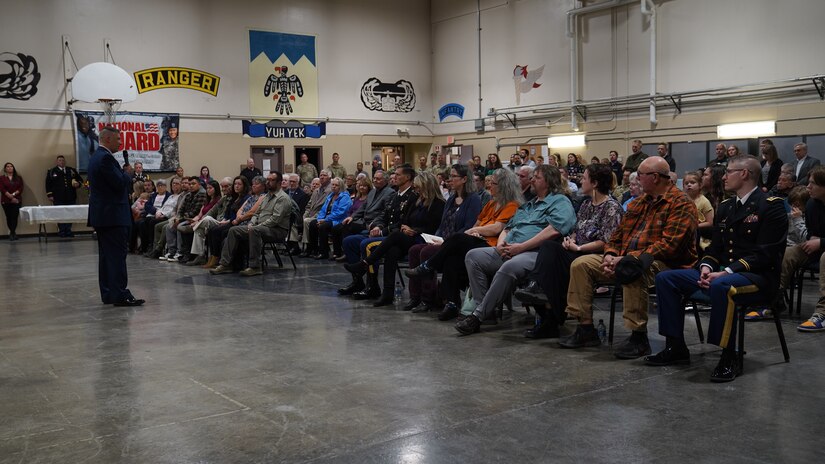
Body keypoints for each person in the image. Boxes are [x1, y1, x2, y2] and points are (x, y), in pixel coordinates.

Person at [647, 155, 786, 382]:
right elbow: (715, 248)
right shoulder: (726, 207)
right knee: (666, 278)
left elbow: (765, 254)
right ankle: (676, 347)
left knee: (722, 286)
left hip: (759, 278)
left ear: (744, 174)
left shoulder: (771, 206)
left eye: (729, 171)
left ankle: (729, 356)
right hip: (723, 273)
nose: (724, 177)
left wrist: (726, 272)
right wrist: (705, 267)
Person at [559, 156, 698, 358]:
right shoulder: (638, 203)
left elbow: (670, 245)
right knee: (581, 264)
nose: (637, 179)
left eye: (640, 175)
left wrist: (625, 259)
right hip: (624, 259)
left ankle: (638, 337)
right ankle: (586, 328)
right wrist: (609, 255)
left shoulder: (681, 203)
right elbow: (616, 237)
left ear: (656, 178)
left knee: (631, 269)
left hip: (666, 264)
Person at [454, 165, 576, 335]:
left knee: (509, 268)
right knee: (473, 256)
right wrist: (501, 245)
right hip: (511, 248)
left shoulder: (560, 202)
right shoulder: (529, 205)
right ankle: (484, 308)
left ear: (548, 182)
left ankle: (477, 316)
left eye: (537, 177)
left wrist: (521, 247)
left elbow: (554, 230)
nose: (532, 180)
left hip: (536, 253)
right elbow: (508, 228)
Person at [514, 163, 623, 338]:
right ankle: (546, 309)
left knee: (551, 261)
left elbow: (607, 241)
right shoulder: (587, 205)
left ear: (594, 183)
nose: (581, 181)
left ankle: (547, 310)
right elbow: (577, 230)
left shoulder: (612, 207)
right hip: (576, 249)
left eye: (584, 178)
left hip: (593, 255)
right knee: (550, 249)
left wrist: (578, 247)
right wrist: (570, 240)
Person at [406, 168, 523, 320]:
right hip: (478, 240)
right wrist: (475, 230)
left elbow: (497, 228)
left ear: (504, 186)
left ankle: (428, 266)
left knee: (457, 238)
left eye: (493, 184)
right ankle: (452, 303)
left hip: (491, 245)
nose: (489, 187)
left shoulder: (511, 205)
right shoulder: (491, 204)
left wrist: (474, 230)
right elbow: (478, 222)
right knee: (451, 260)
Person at [345, 172, 445, 307]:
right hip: (410, 236)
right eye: (415, 188)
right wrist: (405, 227)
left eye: (418, 188)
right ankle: (388, 294)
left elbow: (434, 227)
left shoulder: (438, 203)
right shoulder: (418, 201)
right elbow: (406, 220)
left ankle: (366, 263)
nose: (416, 190)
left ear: (426, 186)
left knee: (394, 236)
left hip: (424, 238)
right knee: (392, 250)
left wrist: (414, 230)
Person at [403, 164, 481, 312]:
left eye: (453, 176)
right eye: (449, 176)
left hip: (459, 243)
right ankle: (416, 297)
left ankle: (429, 299)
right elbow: (443, 224)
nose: (449, 179)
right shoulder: (451, 199)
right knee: (414, 250)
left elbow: (469, 227)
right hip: (443, 240)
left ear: (464, 179)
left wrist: (446, 241)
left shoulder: (473, 200)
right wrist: (436, 237)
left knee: (425, 252)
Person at [86, 127, 144, 306]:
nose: (120, 142)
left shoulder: (97, 157)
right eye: (118, 139)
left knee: (106, 257)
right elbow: (119, 184)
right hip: (113, 216)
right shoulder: (105, 158)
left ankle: (109, 293)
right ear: (108, 139)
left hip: (105, 216)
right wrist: (127, 174)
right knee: (117, 256)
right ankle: (120, 295)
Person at [341, 166, 418, 299]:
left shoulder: (411, 196)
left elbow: (402, 222)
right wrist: (378, 225)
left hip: (396, 236)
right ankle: (358, 281)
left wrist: (382, 231)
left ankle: (372, 286)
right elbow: (385, 214)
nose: (394, 177)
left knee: (367, 244)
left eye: (398, 175)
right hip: (384, 231)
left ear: (407, 178)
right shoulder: (397, 194)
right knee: (349, 241)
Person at [772, 167, 825, 330]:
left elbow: (818, 240)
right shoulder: (811, 204)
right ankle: (774, 301)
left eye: (812, 184)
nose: (807, 187)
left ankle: (823, 312)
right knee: (789, 252)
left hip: (822, 250)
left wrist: (821, 242)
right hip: (815, 248)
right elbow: (810, 232)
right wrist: (812, 239)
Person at [210, 172, 292, 276]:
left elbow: (275, 219)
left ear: (279, 183)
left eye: (272, 180)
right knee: (234, 230)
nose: (268, 182)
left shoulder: (282, 198)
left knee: (255, 230)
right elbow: (256, 213)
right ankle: (225, 264)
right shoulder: (267, 196)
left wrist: (256, 226)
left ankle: (255, 266)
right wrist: (252, 223)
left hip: (277, 230)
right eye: (268, 179)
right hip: (261, 227)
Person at [204, 176, 255, 269]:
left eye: (239, 184)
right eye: (235, 184)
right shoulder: (234, 198)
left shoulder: (246, 198)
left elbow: (242, 214)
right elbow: (227, 212)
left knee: (219, 232)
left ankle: (218, 258)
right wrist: (225, 219)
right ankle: (213, 256)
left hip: (238, 222)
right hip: (230, 221)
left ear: (244, 186)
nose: (236, 186)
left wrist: (228, 221)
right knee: (212, 230)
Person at [184, 177, 235, 267]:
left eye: (226, 186)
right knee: (199, 229)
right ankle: (200, 256)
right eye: (222, 187)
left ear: (232, 186)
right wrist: (199, 220)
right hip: (218, 222)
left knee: (207, 220)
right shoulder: (223, 199)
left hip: (225, 223)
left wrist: (198, 221)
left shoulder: (234, 199)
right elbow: (211, 211)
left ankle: (213, 256)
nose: (223, 189)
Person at [307, 177, 352, 259]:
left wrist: (325, 220)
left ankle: (324, 252)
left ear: (340, 186)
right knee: (313, 224)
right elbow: (323, 210)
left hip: (338, 220)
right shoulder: (330, 196)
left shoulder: (345, 197)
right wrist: (320, 219)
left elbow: (340, 213)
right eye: (333, 185)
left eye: (336, 185)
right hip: (327, 218)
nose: (334, 186)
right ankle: (314, 250)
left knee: (323, 227)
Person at [330, 176, 372, 260]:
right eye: (360, 185)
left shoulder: (370, 198)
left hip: (361, 221)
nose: (361, 187)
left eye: (364, 185)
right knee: (335, 228)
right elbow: (350, 210)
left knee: (346, 227)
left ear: (368, 187)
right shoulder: (357, 198)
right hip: (352, 219)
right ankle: (337, 252)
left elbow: (364, 213)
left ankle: (347, 252)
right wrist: (349, 217)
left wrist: (352, 218)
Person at [45, 155, 83, 237]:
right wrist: (50, 195)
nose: (61, 162)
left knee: (70, 214)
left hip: (71, 196)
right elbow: (48, 184)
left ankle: (68, 231)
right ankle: (62, 231)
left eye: (62, 160)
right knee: (60, 214)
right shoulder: (52, 171)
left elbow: (80, 180)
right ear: (57, 162)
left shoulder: (71, 170)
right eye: (59, 160)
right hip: (58, 197)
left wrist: (78, 184)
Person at [299, 170, 332, 256]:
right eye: (321, 175)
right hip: (310, 215)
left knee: (307, 221)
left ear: (329, 178)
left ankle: (308, 247)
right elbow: (308, 206)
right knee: (304, 219)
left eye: (324, 175)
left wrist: (312, 217)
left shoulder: (330, 191)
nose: (322, 177)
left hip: (322, 216)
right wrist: (305, 214)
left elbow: (326, 208)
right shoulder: (316, 191)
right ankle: (310, 247)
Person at [683, 170, 714, 251]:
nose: (689, 185)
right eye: (686, 183)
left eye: (692, 183)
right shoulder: (681, 200)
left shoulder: (704, 201)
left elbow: (710, 222)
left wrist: (694, 226)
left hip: (700, 235)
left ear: (700, 185)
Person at [1, 162, 24, 241]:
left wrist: (13, 195)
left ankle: (12, 233)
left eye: (11, 166)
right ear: (5, 169)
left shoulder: (18, 178)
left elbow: (21, 188)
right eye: (8, 166)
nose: (10, 168)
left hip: (17, 200)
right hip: (5, 200)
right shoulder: (1, 178)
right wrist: (10, 197)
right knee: (9, 217)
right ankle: (13, 233)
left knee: (14, 217)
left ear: (13, 168)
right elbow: (2, 189)